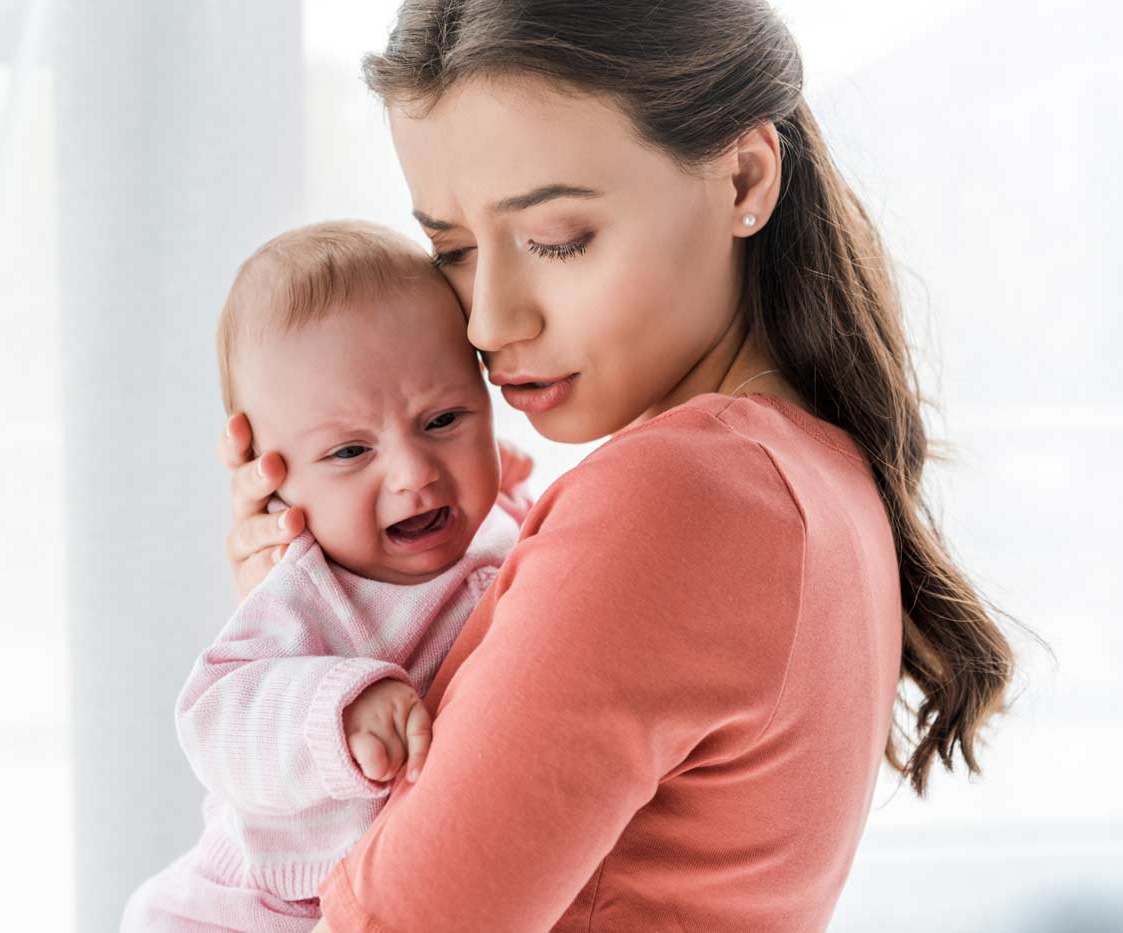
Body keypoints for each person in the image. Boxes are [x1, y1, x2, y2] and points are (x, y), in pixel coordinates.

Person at [221, 2, 1018, 930]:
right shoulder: (808, 475)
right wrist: (312, 614)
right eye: (451, 250)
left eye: (556, 239)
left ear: (742, 177)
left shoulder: (681, 496)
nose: (488, 322)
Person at [123, 220, 534, 931]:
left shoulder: (504, 528)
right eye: (349, 450)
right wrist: (335, 712)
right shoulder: (307, 591)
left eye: (442, 419)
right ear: (273, 481)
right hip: (260, 903)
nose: (412, 473)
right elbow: (218, 716)